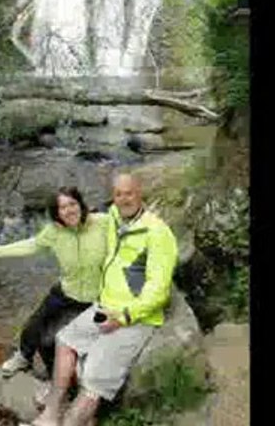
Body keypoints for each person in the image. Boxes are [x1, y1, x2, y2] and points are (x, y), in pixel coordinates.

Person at [33, 172, 179, 426]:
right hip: (104, 306)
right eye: (118, 194)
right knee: (64, 340)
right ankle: (51, 413)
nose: (124, 199)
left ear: (139, 193)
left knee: (93, 376)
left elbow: (158, 290)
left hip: (134, 318)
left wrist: (124, 317)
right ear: (113, 197)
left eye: (129, 193)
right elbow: (84, 221)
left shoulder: (158, 233)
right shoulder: (112, 216)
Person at [0, 186, 109, 378]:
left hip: (96, 297)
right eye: (62, 207)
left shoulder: (102, 223)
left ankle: (64, 379)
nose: (69, 210)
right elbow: (32, 244)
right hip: (67, 290)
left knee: (54, 341)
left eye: (72, 204)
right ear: (57, 213)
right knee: (34, 325)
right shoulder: (54, 232)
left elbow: (130, 227)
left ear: (80, 204)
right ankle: (24, 357)